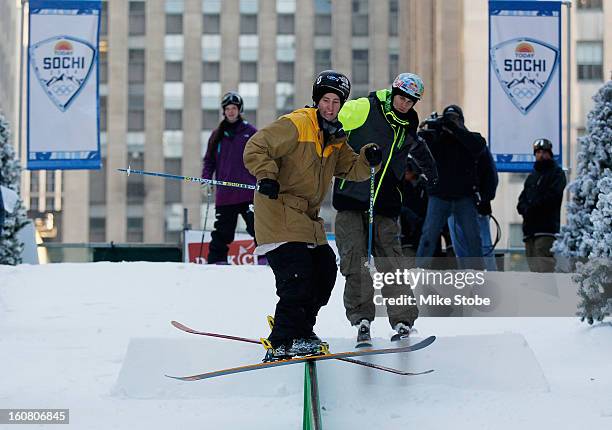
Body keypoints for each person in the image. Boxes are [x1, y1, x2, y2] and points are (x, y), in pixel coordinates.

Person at [243, 70, 382, 360]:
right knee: (297, 277)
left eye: (336, 102)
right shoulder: (297, 124)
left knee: (325, 270)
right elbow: (256, 146)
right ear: (316, 100)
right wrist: (266, 175)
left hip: (306, 218)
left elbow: (351, 169)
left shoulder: (334, 137)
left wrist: (369, 158)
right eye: (326, 100)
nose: (330, 107)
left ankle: (302, 330)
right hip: (278, 210)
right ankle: (282, 340)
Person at [331, 73, 437, 345]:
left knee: (392, 262)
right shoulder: (366, 107)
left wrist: (432, 173)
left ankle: (403, 319)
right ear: (393, 93)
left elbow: (419, 148)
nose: (404, 104)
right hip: (352, 196)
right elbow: (330, 118)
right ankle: (361, 317)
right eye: (401, 98)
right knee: (356, 261)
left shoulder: (407, 125)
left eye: (410, 101)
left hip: (386, 203)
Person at [416, 104, 486, 270]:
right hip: (440, 196)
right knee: (429, 235)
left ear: (461, 121)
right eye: (449, 119)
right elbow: (419, 143)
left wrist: (454, 129)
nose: (451, 122)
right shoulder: (437, 138)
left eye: (455, 119)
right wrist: (435, 127)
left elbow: (478, 146)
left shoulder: (470, 138)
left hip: (464, 197)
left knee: (473, 237)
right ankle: (419, 271)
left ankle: (478, 273)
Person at [202, 91, 257, 264]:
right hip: (225, 194)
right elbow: (209, 161)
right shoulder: (217, 135)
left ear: (240, 110)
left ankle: (267, 260)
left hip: (248, 193)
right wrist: (206, 179)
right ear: (223, 111)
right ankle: (216, 262)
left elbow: (262, 159)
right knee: (222, 231)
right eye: (228, 108)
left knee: (260, 228)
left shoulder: (251, 133)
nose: (231, 111)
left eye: (234, 108)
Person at [517, 138, 567, 272]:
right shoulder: (532, 176)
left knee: (545, 269)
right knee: (534, 271)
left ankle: (548, 293)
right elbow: (522, 198)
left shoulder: (557, 173)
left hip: (546, 229)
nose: (541, 155)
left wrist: (532, 207)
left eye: (544, 152)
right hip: (529, 231)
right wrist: (523, 208)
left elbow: (553, 196)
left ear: (550, 154)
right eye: (538, 152)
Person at [448, 141, 499, 270]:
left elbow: (491, 175)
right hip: (456, 206)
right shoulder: (445, 146)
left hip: (475, 205)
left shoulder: (475, 145)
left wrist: (485, 199)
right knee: (461, 249)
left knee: (482, 247)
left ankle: (489, 282)